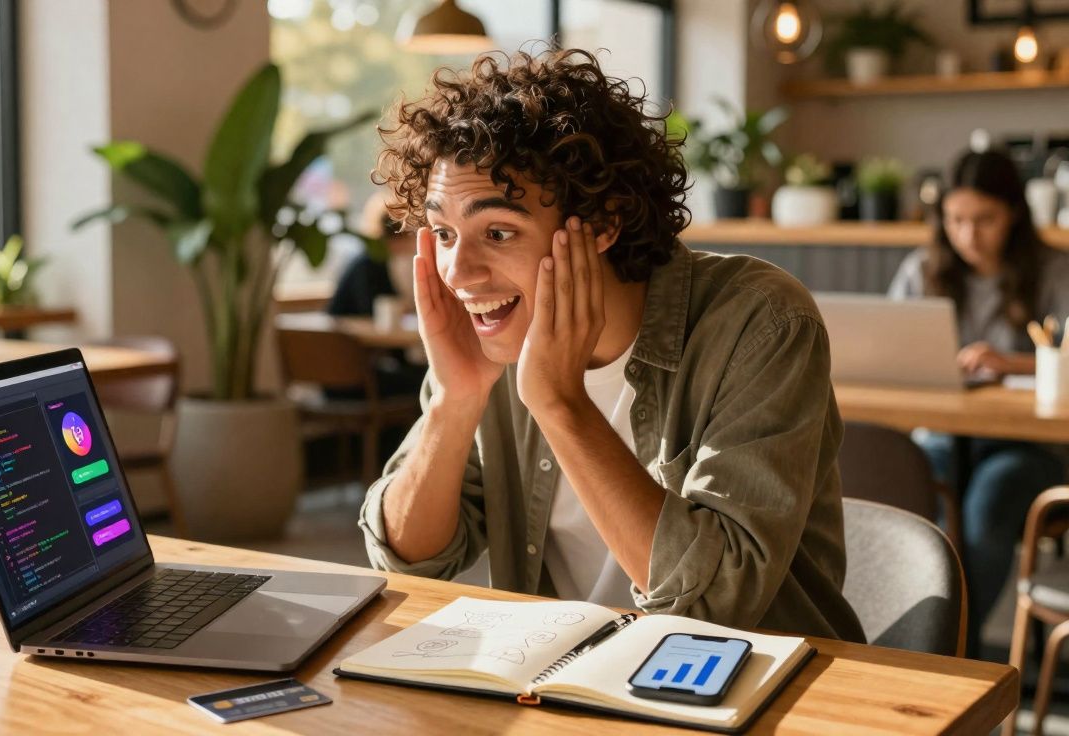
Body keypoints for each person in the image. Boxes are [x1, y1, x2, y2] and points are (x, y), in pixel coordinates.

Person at [359, 48, 864, 641]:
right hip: (561, 673)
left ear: (603, 221)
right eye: (444, 233)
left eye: (497, 232)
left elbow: (717, 606)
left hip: (757, 680)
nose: (458, 272)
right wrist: (454, 399)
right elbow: (409, 559)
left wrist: (559, 402)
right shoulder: (492, 341)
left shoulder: (760, 322)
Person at [888, 148, 1069, 657]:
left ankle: (949, 656)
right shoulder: (922, 269)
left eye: (985, 219)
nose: (969, 235)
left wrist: (1009, 364)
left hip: (1028, 446)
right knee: (904, 497)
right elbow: (894, 350)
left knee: (986, 508)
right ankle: (903, 649)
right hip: (943, 436)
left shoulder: (1055, 271)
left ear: (1013, 213)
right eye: (956, 220)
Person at [326, 193, 425, 398]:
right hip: (351, 376)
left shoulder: (372, 261)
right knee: (426, 380)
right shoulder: (368, 265)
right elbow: (372, 315)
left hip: (341, 372)